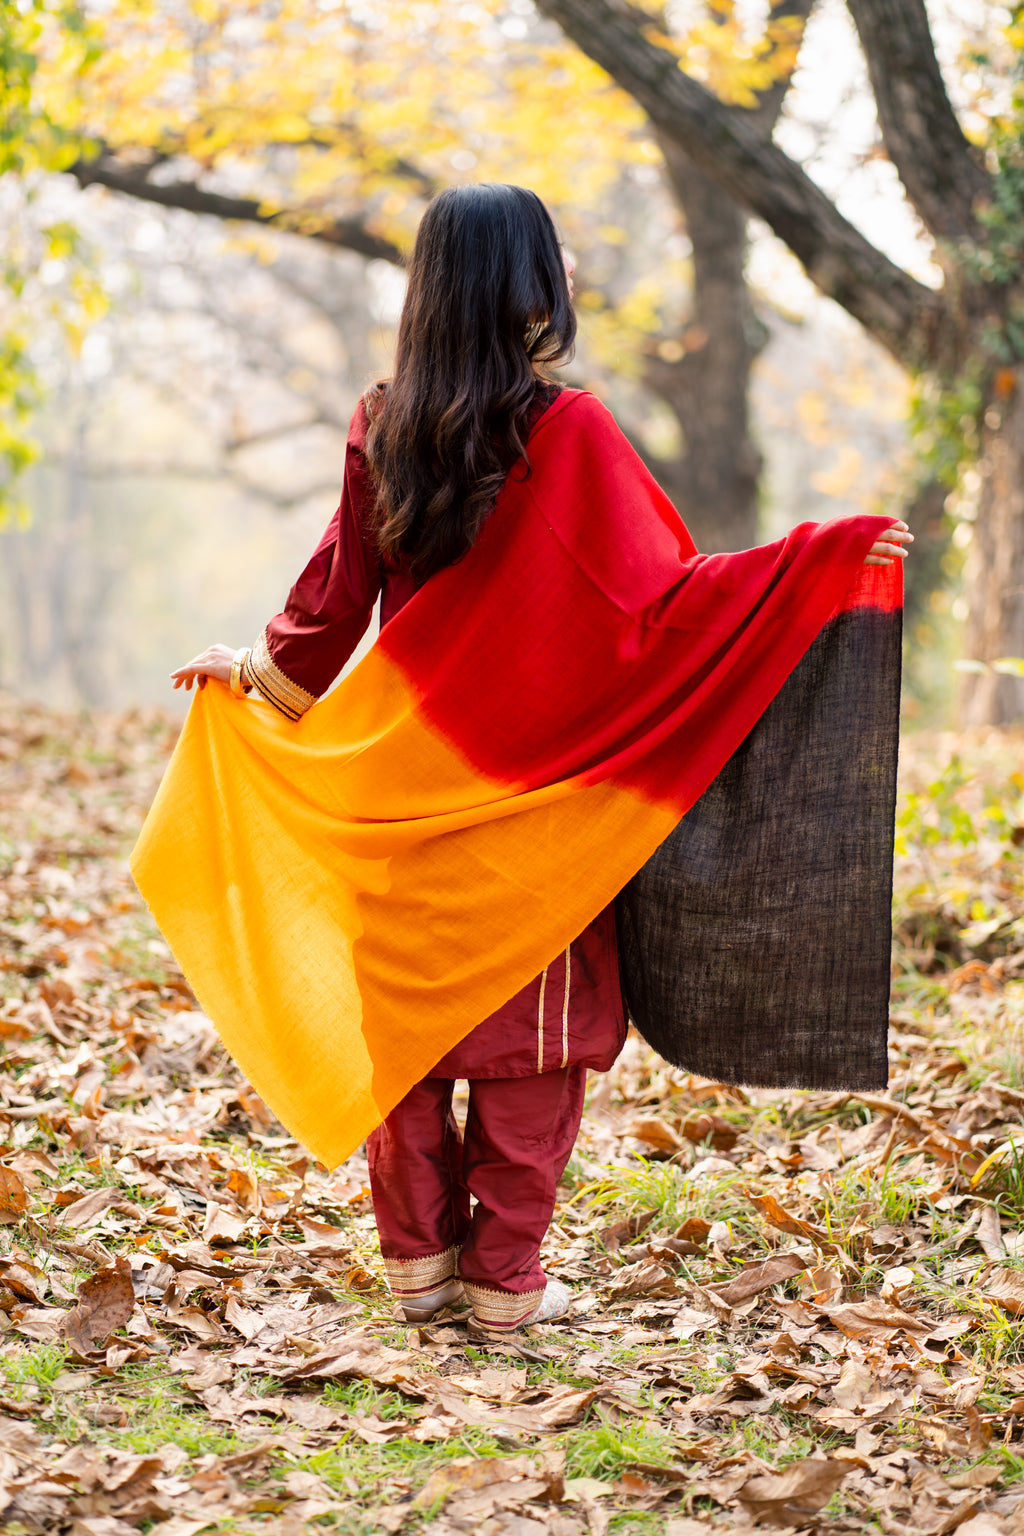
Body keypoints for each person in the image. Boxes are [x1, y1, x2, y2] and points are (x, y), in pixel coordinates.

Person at [156, 184, 911, 1338]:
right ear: (533, 283)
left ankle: (418, 1268)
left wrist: (248, 673)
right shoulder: (573, 430)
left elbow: (327, 611)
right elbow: (662, 603)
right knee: (531, 1043)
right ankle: (504, 1281)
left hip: (401, 793)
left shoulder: (382, 422)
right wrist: (819, 559)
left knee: (404, 1033)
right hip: (529, 801)